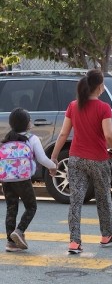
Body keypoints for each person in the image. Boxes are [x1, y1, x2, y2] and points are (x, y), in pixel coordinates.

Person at [50, 69, 112, 254]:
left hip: (75, 159)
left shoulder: (73, 106)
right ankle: (107, 235)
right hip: (98, 159)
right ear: (99, 87)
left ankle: (74, 242)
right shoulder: (104, 107)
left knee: (76, 200)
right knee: (103, 197)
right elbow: (108, 134)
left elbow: (63, 134)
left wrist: (54, 156)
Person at [2, 108, 56, 252]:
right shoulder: (32, 139)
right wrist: (53, 166)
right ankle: (19, 231)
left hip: (7, 179)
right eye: (29, 119)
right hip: (23, 179)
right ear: (26, 123)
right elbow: (42, 159)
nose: (31, 121)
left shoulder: (6, 139)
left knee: (11, 208)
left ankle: (10, 243)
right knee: (31, 207)